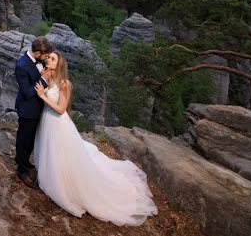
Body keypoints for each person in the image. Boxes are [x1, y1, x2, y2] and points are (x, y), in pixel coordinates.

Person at [33, 52, 158, 226]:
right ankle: (50, 175)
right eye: (49, 58)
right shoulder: (51, 79)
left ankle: (65, 186)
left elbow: (61, 109)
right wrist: (43, 79)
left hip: (58, 123)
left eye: (52, 59)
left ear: (60, 64)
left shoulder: (64, 83)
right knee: (51, 151)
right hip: (47, 121)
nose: (48, 60)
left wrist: (42, 96)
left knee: (61, 153)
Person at [13, 36, 53, 188]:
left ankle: (23, 160)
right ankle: (22, 171)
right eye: (45, 56)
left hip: (38, 108)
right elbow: (28, 92)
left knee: (30, 139)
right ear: (37, 53)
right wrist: (43, 79)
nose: (47, 59)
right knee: (24, 139)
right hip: (27, 108)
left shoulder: (39, 60)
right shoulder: (21, 65)